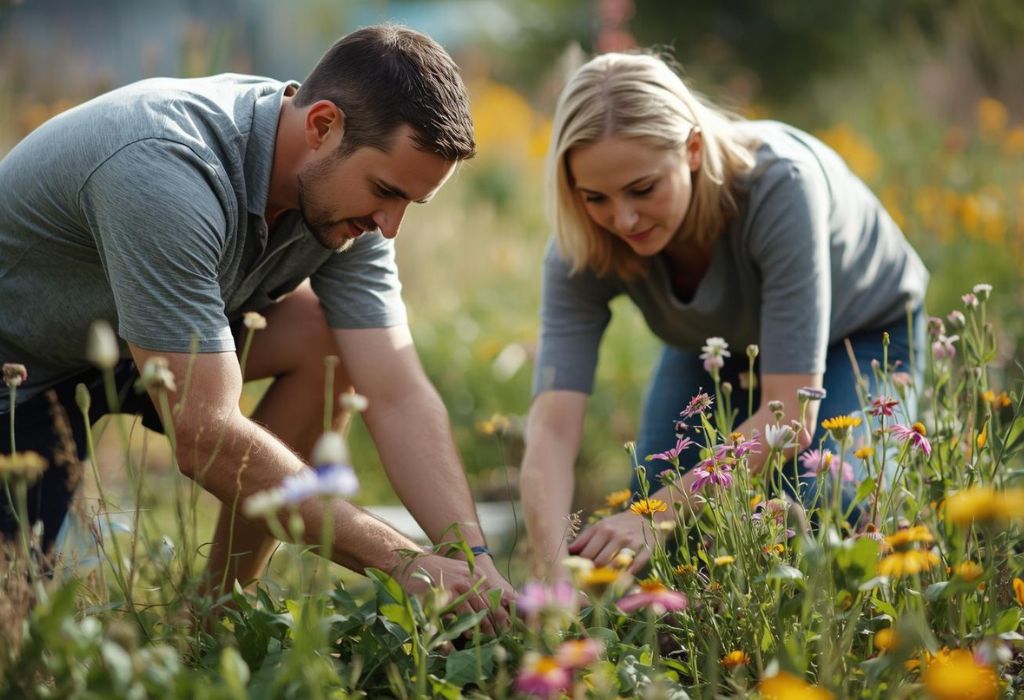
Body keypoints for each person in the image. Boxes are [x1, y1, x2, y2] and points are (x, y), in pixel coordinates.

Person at [0, 23, 513, 623]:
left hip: (136, 345)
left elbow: (395, 390)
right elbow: (204, 435)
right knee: (21, 635)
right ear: (322, 126)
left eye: (408, 204)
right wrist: (404, 562)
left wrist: (470, 556)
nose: (391, 224)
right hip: (17, 375)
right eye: (385, 191)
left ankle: (219, 611)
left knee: (330, 340)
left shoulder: (347, 201)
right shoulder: (164, 168)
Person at [520, 52, 928, 580]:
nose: (623, 219)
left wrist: (664, 511)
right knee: (654, 492)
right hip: (714, 344)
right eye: (596, 197)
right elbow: (551, 429)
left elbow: (791, 414)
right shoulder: (582, 245)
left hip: (860, 333)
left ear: (692, 150)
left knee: (816, 504)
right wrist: (553, 573)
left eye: (643, 189)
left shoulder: (782, 187)